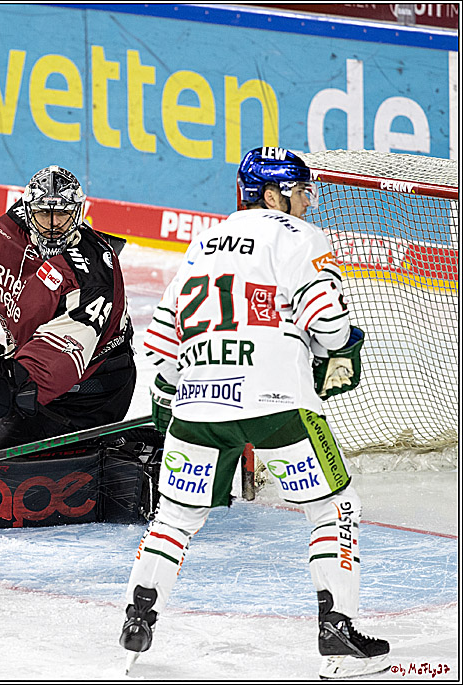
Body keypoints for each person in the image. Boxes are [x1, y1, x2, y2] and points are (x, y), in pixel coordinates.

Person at [120, 147, 388, 679]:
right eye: (300, 191)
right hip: (277, 406)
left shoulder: (203, 242)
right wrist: (339, 345)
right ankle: (336, 625)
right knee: (335, 508)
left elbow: (159, 348)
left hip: (198, 406)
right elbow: (328, 320)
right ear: (272, 194)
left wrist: (172, 396)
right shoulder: (298, 237)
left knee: (174, 519)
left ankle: (138, 617)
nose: (307, 202)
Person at [0, 165, 136, 450]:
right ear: (28, 212)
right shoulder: (12, 227)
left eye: (63, 215)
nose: (53, 226)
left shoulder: (92, 283)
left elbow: (60, 358)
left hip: (92, 392)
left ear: (77, 214)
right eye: (44, 215)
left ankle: (99, 449)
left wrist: (8, 384)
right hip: (58, 379)